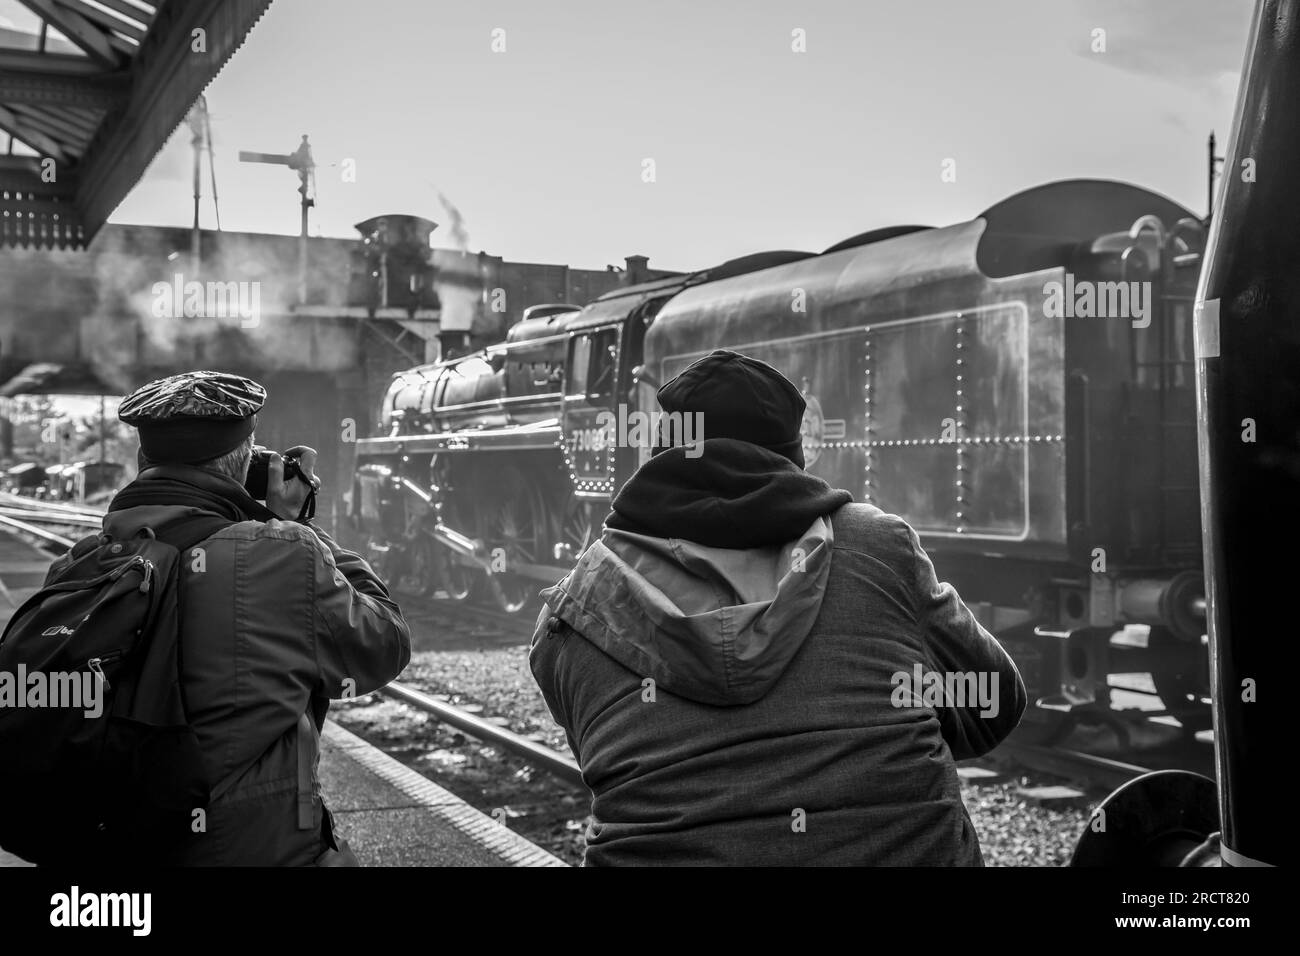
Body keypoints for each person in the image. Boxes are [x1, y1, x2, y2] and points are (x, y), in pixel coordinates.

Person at [529, 349, 1027, 866]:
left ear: (663, 452)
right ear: (793, 457)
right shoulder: (881, 548)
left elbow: (603, 756)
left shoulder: (575, 607)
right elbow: (998, 703)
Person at [110, 370, 411, 865]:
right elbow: (384, 642)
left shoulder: (86, 559)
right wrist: (299, 528)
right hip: (252, 849)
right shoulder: (280, 555)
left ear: (143, 462)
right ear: (242, 465)